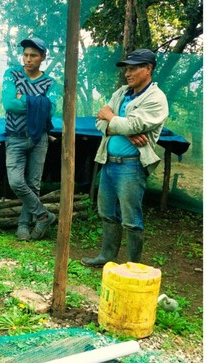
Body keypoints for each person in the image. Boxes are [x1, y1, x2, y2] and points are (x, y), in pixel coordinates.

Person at [81, 49, 168, 267]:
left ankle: (133, 266)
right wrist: (125, 129)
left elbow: (131, 123)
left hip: (131, 166)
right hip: (109, 161)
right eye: (126, 69)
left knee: (131, 218)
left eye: (133, 68)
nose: (127, 73)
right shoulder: (122, 92)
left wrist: (112, 118)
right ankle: (107, 256)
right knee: (107, 212)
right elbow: (100, 123)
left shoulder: (156, 98)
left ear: (148, 69)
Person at [1, 37, 58, 240]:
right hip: (14, 137)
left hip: (39, 138)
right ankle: (43, 215)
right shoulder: (12, 74)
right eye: (25, 54)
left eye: (33, 55)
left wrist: (22, 98)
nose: (28, 59)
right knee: (16, 181)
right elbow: (9, 104)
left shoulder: (51, 83)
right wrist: (37, 102)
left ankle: (24, 225)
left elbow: (50, 109)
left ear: (42, 57)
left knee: (33, 184)